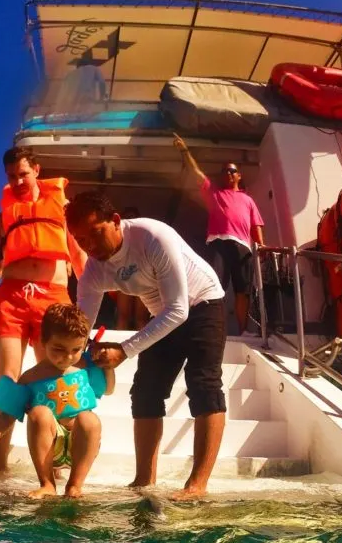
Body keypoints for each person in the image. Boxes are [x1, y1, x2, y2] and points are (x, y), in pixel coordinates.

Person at [65, 191, 227, 499]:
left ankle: (197, 485)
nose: (90, 247)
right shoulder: (95, 270)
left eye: (95, 234)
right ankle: (143, 480)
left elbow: (179, 309)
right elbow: (80, 328)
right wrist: (63, 365)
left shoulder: (152, 236)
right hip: (161, 314)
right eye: (81, 241)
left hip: (203, 302)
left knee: (204, 384)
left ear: (115, 221)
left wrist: (125, 350)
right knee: (144, 391)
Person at [0, 147, 87, 476]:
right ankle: (0, 468)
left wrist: (91, 304)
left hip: (54, 298)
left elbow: (81, 260)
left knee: (53, 377)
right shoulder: (6, 217)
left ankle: (57, 460)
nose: (18, 181)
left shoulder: (62, 207)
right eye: (11, 177)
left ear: (36, 170)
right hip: (12, 298)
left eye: (23, 174)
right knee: (7, 383)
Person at [0, 304, 114, 499]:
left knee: (90, 418)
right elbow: (9, 413)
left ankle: (75, 485)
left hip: (82, 443)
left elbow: (109, 390)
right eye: (59, 349)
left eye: (76, 349)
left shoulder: (85, 368)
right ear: (43, 341)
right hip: (50, 446)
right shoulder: (30, 377)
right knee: (39, 413)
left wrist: (108, 367)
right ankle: (47, 484)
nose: (67, 357)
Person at [173, 133, 264, 334]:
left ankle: (243, 330)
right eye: (224, 171)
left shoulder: (248, 200)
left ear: (239, 175)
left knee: (243, 291)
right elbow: (196, 172)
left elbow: (256, 225)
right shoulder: (213, 192)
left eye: (232, 171)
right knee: (215, 290)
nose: (228, 173)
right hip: (218, 244)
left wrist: (261, 245)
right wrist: (184, 150)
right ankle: (214, 329)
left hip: (243, 247)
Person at [114, 207, 150, 330]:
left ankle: (145, 349)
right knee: (123, 317)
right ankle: (118, 346)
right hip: (125, 278)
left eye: (134, 218)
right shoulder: (117, 240)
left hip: (143, 279)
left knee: (141, 318)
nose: (131, 221)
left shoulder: (144, 237)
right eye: (128, 218)